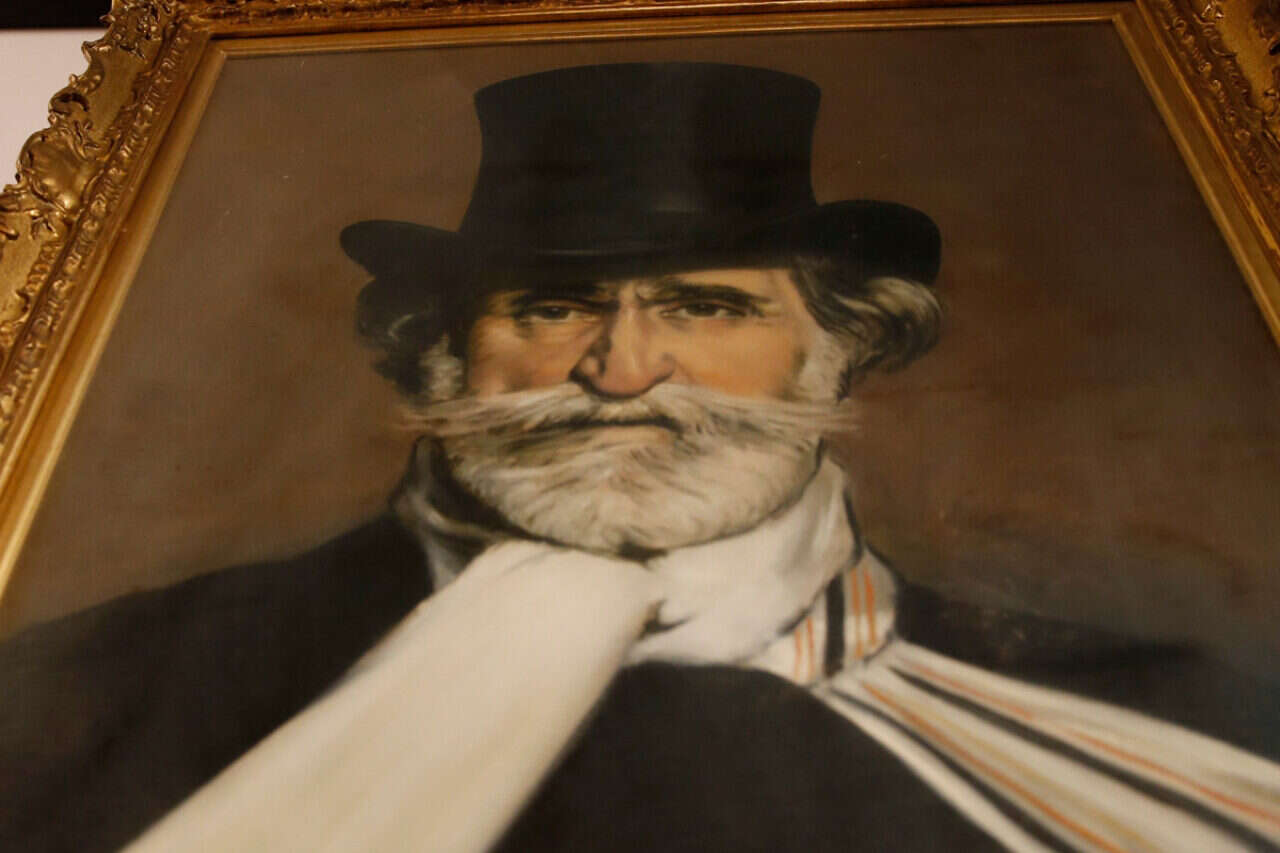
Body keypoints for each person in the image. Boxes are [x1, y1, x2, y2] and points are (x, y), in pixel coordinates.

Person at [2, 63, 1279, 852]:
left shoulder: (1177, 721)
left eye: (706, 308)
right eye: (552, 307)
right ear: (439, 354)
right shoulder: (97, 695)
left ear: (837, 351)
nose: (620, 371)